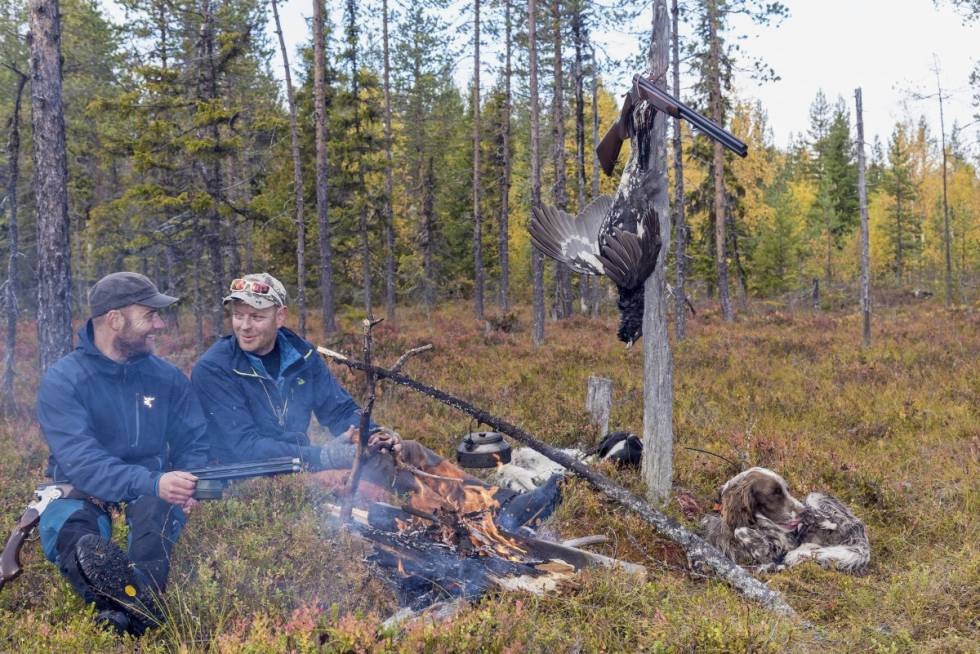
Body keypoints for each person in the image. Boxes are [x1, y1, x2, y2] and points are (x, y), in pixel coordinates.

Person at [192, 273, 560, 530]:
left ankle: (501, 503)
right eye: (238, 316)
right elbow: (244, 449)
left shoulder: (299, 354)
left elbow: (339, 411)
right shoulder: (216, 368)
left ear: (280, 316)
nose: (244, 326)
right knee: (361, 475)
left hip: (301, 462)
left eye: (256, 316)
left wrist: (373, 434)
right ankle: (471, 521)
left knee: (406, 451)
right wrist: (323, 456)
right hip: (250, 479)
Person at [36, 272, 209, 635]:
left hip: (152, 490)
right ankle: (139, 613)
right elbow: (83, 463)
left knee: (154, 531)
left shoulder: (167, 378)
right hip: (81, 489)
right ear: (114, 320)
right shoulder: (64, 381)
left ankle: (121, 617)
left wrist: (191, 481)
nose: (159, 324)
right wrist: (154, 480)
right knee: (75, 539)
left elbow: (193, 441)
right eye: (149, 315)